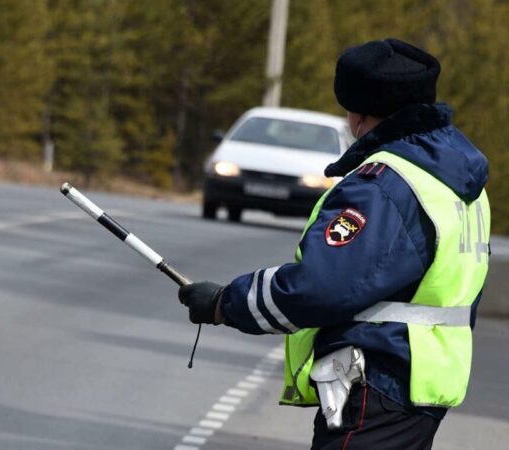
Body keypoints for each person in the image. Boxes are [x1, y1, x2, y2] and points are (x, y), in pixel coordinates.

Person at [179, 38, 491, 450]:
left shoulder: (383, 185)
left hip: (378, 380)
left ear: (359, 112)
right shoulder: (455, 177)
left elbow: (319, 286)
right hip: (426, 380)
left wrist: (224, 303)